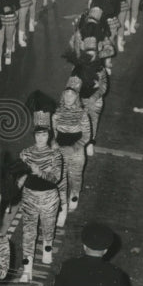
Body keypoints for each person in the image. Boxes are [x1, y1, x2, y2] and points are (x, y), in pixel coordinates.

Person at [16, 112, 63, 282]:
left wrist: (40, 172)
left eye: (44, 134)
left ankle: (47, 247)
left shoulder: (55, 155)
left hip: (49, 198)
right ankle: (27, 268)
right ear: (34, 135)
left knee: (48, 227)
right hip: (29, 197)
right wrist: (17, 183)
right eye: (38, 134)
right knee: (28, 232)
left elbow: (56, 178)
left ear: (49, 135)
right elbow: (20, 175)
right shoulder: (25, 153)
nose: (41, 137)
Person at [52, 78, 92, 226]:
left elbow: (87, 135)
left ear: (77, 98)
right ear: (63, 96)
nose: (69, 97)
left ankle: (74, 195)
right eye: (66, 94)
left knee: (75, 177)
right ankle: (62, 210)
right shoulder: (56, 113)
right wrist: (54, 144)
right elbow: (53, 132)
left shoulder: (82, 114)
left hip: (76, 152)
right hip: (60, 151)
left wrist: (73, 148)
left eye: (72, 95)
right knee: (60, 181)